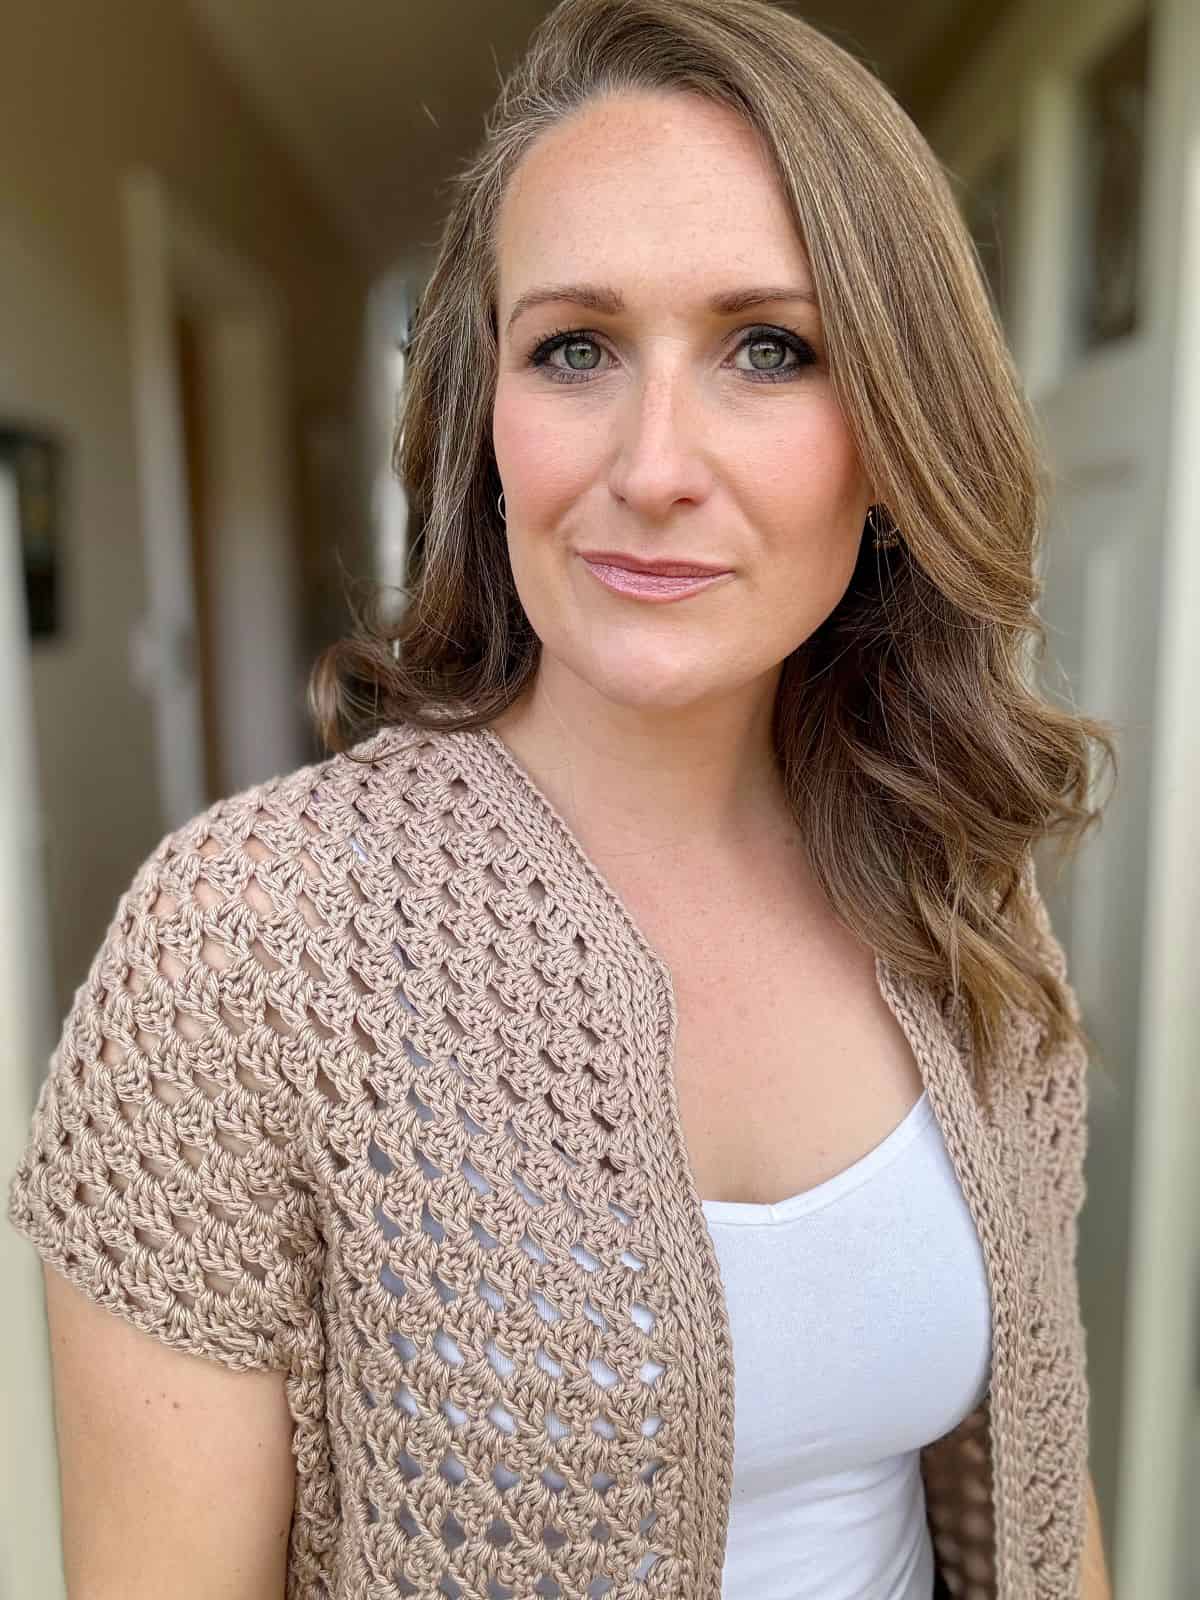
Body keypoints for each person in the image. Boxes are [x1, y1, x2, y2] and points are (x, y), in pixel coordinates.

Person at [7, 0, 1119, 1596]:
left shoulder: (953, 872)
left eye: (770, 347)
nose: (651, 462)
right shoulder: (243, 945)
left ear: (893, 436)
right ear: (486, 418)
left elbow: (1041, 1471)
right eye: (575, 347)